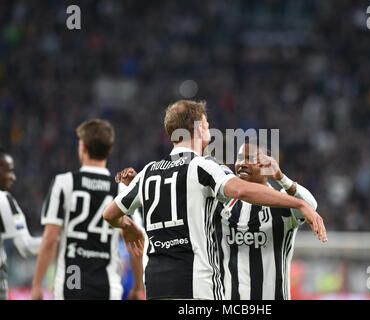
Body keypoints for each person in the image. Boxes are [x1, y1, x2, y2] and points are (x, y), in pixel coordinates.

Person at [103, 100, 326, 300]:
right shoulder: (205, 170)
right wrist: (299, 203)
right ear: (199, 128)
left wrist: (128, 222)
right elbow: (238, 190)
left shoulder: (148, 172)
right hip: (196, 284)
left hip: (157, 285)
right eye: (207, 125)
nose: (241, 163)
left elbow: (110, 214)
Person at [31, 119, 144, 300]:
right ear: (110, 149)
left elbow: (51, 238)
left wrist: (37, 285)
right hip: (107, 287)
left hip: (70, 284)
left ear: (82, 146)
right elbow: (137, 240)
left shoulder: (63, 182)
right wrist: (139, 287)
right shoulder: (122, 190)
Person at [214, 141, 317, 300]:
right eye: (240, 158)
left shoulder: (284, 202)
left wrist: (282, 178)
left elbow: (310, 206)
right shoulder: (221, 203)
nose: (242, 163)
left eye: (251, 159)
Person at [0, 148, 41, 300]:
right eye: (9, 171)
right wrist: (57, 240)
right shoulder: (4, 200)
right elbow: (27, 247)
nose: (13, 177)